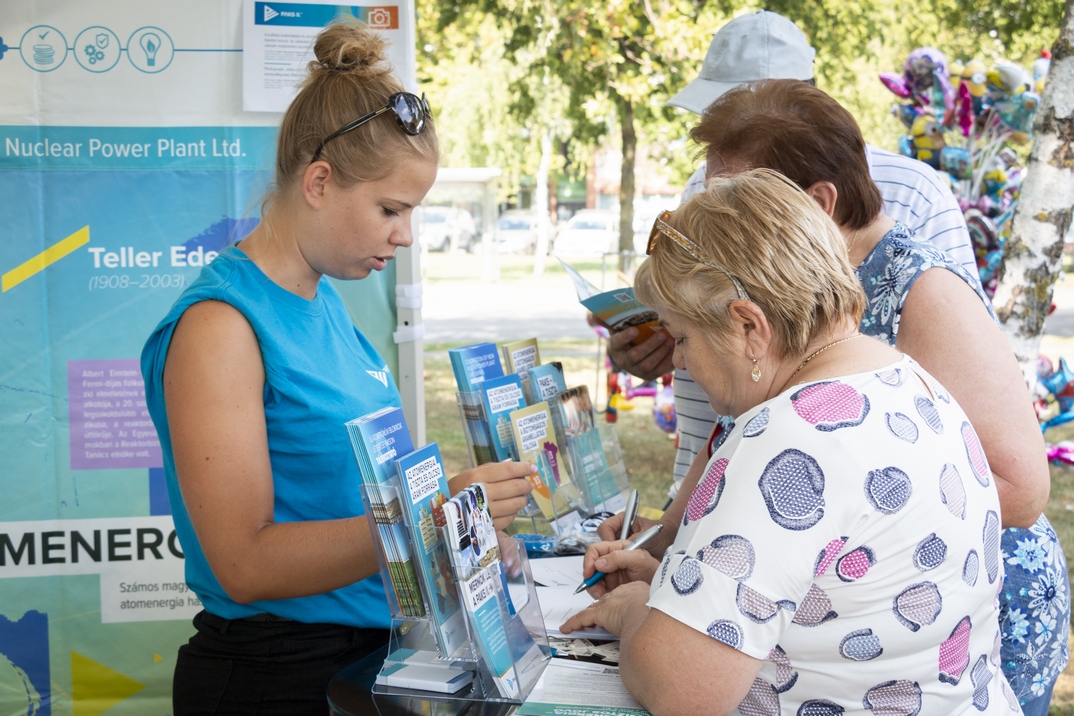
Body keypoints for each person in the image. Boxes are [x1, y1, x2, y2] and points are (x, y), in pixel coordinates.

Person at [600, 80, 1067, 715]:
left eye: (683, 338)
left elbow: (686, 691)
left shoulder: (788, 437)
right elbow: (832, 597)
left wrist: (635, 616)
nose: (677, 359)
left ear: (749, 327)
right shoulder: (903, 378)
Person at [140, 22, 534, 714]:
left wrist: (459, 545)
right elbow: (245, 564)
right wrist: (434, 518)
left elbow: (355, 503)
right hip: (274, 676)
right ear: (319, 181)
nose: (406, 234)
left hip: (364, 656)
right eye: (391, 208)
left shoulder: (322, 302)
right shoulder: (221, 327)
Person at [608, 10, 979, 497]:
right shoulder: (711, 182)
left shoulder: (916, 198)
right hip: (727, 479)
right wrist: (662, 339)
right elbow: (710, 318)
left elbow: (974, 413)